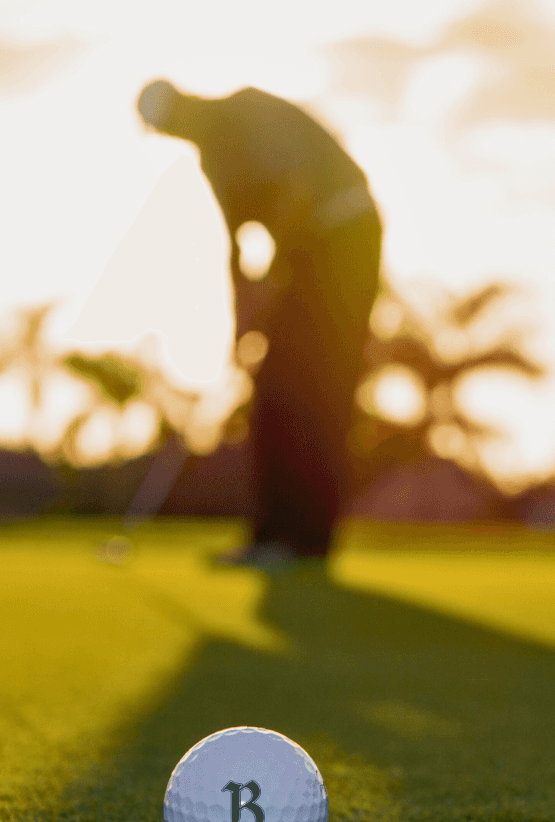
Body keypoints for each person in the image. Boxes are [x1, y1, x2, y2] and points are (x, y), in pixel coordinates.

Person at [136, 79, 382, 567]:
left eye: (169, 124)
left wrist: (272, 274)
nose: (172, 134)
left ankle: (303, 538)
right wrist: (242, 318)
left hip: (345, 236)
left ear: (184, 105)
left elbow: (298, 185)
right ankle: (278, 536)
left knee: (315, 388)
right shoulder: (211, 158)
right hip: (305, 254)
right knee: (275, 388)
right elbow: (234, 244)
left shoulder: (246, 112)